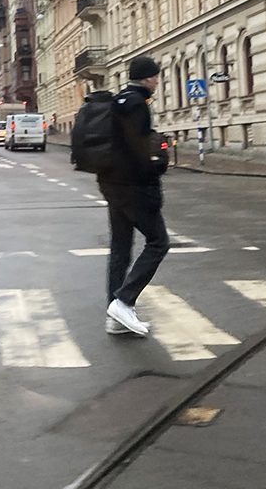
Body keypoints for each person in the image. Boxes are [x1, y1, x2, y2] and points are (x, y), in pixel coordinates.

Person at [99, 55, 168, 337]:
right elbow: (138, 150)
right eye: (155, 75)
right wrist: (158, 164)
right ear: (147, 77)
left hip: (112, 185)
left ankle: (115, 316)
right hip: (133, 188)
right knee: (158, 242)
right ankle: (124, 301)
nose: (157, 80)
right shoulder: (138, 104)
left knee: (120, 248)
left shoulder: (119, 100)